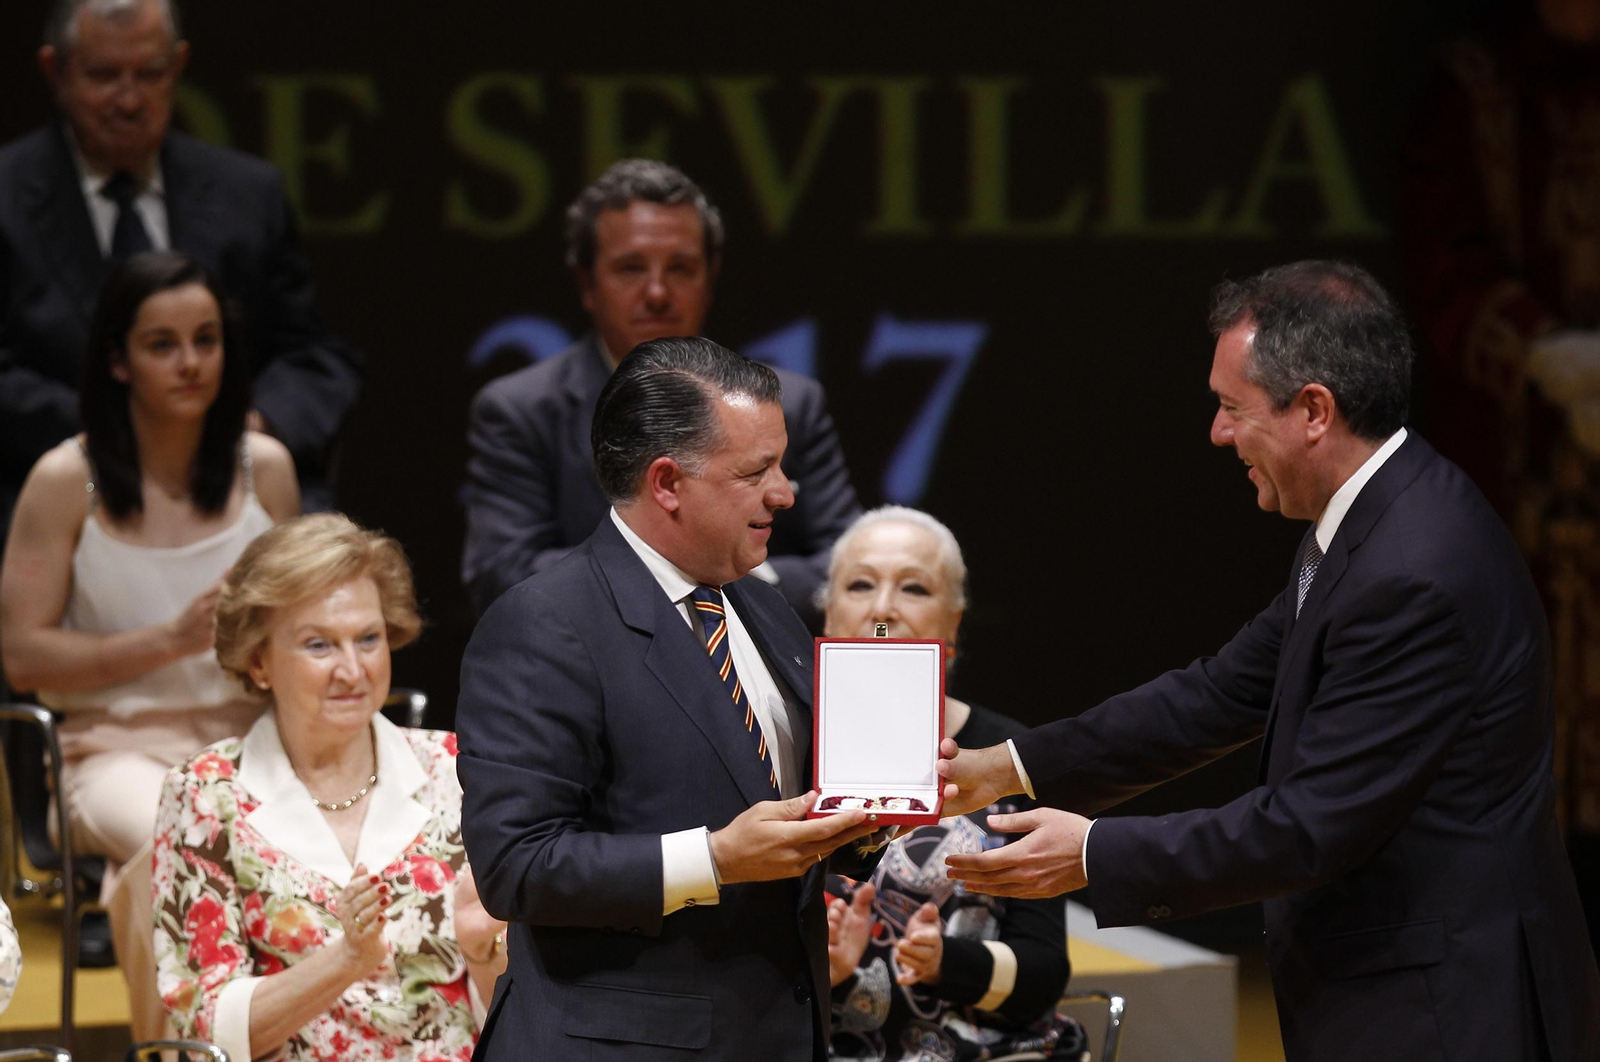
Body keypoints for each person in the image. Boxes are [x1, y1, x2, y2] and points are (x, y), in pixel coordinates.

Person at [934, 261, 1600, 1062]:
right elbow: (1220, 693)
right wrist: (1003, 768)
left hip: (1444, 1008)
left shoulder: (1414, 569)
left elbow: (1307, 828)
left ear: (1313, 409)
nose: (1216, 433)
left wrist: (1089, 854)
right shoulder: (1372, 516)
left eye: (1230, 407)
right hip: (1393, 986)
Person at [457, 336, 885, 1061]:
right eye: (757, 472)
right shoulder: (544, 624)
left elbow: (790, 812)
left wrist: (872, 808)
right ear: (666, 483)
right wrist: (715, 859)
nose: (785, 493)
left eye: (782, 465)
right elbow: (516, 867)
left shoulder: (768, 607)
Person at [0, 250, 296, 1024]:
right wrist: (170, 638)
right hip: (113, 750)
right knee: (180, 822)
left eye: (207, 339)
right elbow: (23, 657)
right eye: (163, 344)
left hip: (260, 742)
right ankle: (176, 1044)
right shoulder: (66, 479)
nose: (191, 362)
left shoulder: (264, 467)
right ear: (118, 360)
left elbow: (305, 624)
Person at [153, 513, 507, 1062]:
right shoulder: (205, 795)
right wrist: (346, 960)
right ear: (259, 661)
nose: (352, 669)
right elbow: (206, 1030)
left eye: (368, 639)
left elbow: (515, 1012)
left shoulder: (454, 768)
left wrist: (485, 955)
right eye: (319, 645)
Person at [0, 0, 362, 530]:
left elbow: (315, 360)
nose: (127, 100)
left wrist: (241, 426)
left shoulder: (249, 194)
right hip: (49, 494)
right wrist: (134, 429)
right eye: (103, 76)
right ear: (56, 71)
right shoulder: (6, 198)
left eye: (148, 74)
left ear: (178, 66)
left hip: (228, 484)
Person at [462, 158, 860, 622]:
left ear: (709, 281)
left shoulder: (790, 405)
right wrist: (679, 571)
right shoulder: (521, 410)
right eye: (631, 268)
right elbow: (501, 576)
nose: (657, 292)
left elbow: (853, 565)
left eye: (680, 268)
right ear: (587, 285)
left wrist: (738, 577)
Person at [816, 506, 1077, 1062]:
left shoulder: (1008, 758)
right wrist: (822, 968)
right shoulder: (777, 747)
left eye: (913, 588)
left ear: (953, 623)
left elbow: (1044, 971)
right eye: (861, 585)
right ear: (828, 613)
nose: (883, 608)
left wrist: (946, 964)